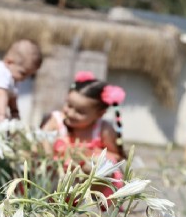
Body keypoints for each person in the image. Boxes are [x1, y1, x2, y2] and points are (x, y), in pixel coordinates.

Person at [41, 71, 126, 201]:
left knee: (103, 166)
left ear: (99, 114)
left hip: (89, 183)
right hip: (58, 176)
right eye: (69, 105)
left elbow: (115, 156)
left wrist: (90, 157)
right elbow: (43, 140)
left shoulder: (103, 129)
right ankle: (55, 201)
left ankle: (92, 203)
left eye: (80, 112)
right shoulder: (56, 120)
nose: (70, 113)